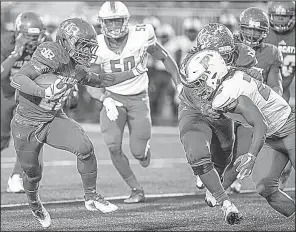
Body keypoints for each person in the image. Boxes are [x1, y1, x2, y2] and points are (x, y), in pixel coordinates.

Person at [10, 16, 148, 228]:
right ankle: (34, 202)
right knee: (32, 174)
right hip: (26, 124)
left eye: (89, 46)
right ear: (65, 42)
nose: (87, 51)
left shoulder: (76, 67)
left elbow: (103, 80)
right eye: (82, 45)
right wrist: (43, 91)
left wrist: (135, 71)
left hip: (52, 119)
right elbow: (18, 78)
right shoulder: (52, 52)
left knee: (85, 147)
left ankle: (91, 196)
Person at [86, 1, 181, 204]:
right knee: (112, 146)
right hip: (113, 99)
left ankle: (144, 151)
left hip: (139, 99)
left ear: (126, 20)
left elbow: (164, 57)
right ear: (102, 23)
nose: (113, 26)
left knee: (139, 154)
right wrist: (104, 98)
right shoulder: (96, 45)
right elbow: (90, 82)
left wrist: (179, 84)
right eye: (109, 22)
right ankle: (136, 189)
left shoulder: (141, 35)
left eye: (117, 21)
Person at [185, 49, 295, 221]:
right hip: (271, 137)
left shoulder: (228, 92)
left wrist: (251, 156)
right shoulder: (228, 78)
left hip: (289, 127)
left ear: (213, 75)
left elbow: (260, 124)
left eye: (200, 82)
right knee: (265, 187)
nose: (198, 88)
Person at [177, 23, 263, 225]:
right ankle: (226, 204)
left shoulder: (243, 53)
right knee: (197, 151)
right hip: (196, 110)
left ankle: (210, 183)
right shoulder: (191, 62)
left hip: (223, 114)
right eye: (217, 55)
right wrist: (208, 105)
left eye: (226, 55)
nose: (222, 60)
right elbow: (203, 102)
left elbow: (254, 78)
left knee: (224, 152)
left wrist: (250, 76)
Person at [222, 7, 284, 194]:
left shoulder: (271, 52)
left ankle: (220, 189)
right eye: (248, 29)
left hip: (248, 110)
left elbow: (276, 86)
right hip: (224, 105)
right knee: (222, 147)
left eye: (257, 30)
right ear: (240, 28)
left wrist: (271, 104)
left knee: (241, 154)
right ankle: (209, 173)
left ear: (265, 32)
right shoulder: (229, 44)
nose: (251, 33)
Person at [1, 11, 52, 193]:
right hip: (6, 95)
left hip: (29, 97)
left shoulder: (47, 44)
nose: (32, 41)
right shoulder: (6, 42)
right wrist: (15, 54)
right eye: (29, 37)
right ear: (18, 33)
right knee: (2, 139)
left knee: (28, 137)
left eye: (35, 37)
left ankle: (16, 177)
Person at [265, 1, 295, 190]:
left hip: (282, 93)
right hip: (261, 91)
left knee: (282, 134)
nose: (281, 20)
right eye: (277, 16)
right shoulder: (263, 32)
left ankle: (284, 168)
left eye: (284, 17)